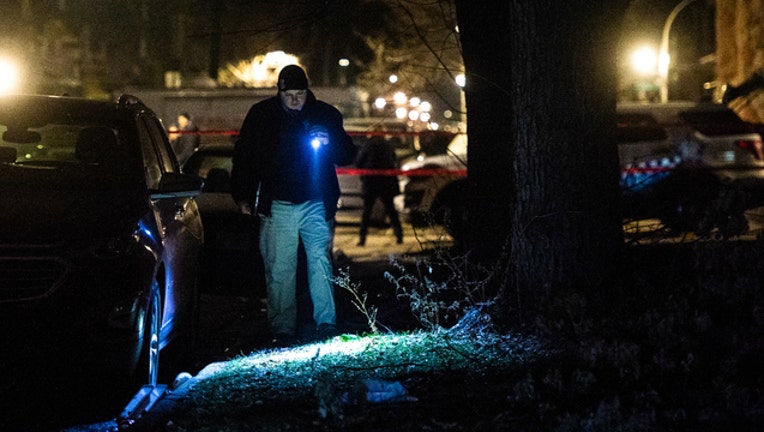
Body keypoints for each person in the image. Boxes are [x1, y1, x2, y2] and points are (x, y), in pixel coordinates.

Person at [230, 65, 356, 345]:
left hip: (316, 201)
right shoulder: (262, 116)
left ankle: (326, 323)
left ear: (307, 91)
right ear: (280, 92)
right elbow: (245, 158)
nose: (296, 100)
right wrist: (242, 195)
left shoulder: (325, 114)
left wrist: (330, 140)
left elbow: (347, 153)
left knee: (319, 262)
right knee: (279, 267)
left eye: (300, 94)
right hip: (278, 202)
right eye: (290, 95)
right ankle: (282, 328)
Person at [355, 135, 403, 246]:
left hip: (370, 180)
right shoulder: (388, 145)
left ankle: (362, 238)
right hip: (385, 180)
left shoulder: (368, 145)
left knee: (367, 211)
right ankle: (399, 235)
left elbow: (359, 162)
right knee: (391, 209)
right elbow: (394, 160)